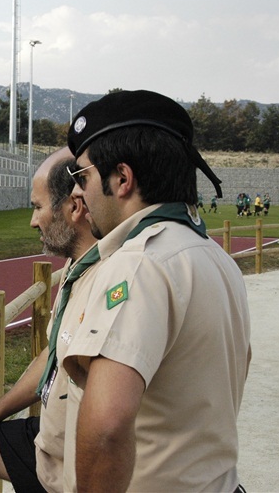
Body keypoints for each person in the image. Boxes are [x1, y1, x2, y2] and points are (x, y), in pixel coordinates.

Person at [62, 90, 251, 492]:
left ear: (123, 179)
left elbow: (108, 426)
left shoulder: (138, 265)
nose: (79, 192)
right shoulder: (216, 258)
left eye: (84, 177)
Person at [0, 148, 98, 493]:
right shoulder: (77, 264)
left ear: (73, 206)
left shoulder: (111, 275)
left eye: (37, 206)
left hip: (77, 455)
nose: (32, 220)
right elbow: (54, 352)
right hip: (54, 435)